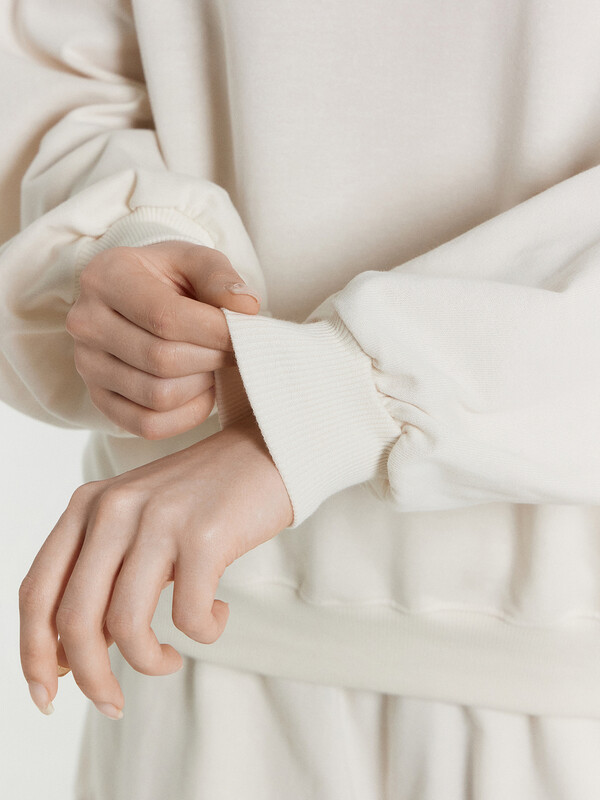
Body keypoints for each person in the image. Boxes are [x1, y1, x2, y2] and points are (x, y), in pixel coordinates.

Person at [2, 0, 600, 797]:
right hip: (194, 642)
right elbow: (57, 51)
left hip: (561, 694)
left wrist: (335, 398)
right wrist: (134, 242)